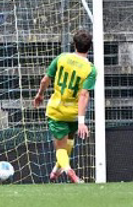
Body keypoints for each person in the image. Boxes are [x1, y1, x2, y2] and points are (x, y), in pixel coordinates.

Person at [33, 29, 96, 184]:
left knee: (60, 147)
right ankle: (57, 169)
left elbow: (45, 80)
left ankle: (69, 171)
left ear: (74, 44)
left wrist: (40, 94)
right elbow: (83, 95)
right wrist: (81, 122)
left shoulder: (62, 58)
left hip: (57, 110)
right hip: (74, 113)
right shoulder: (90, 70)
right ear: (90, 47)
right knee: (69, 139)